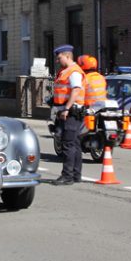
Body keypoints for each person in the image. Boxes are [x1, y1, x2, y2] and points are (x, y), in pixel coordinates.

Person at [52, 44, 85, 185]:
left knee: (68, 144)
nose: (57, 61)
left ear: (67, 56)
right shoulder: (65, 71)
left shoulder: (74, 72)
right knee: (75, 144)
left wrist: (66, 108)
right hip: (70, 112)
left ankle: (67, 176)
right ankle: (76, 175)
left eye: (59, 58)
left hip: (71, 113)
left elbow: (76, 90)